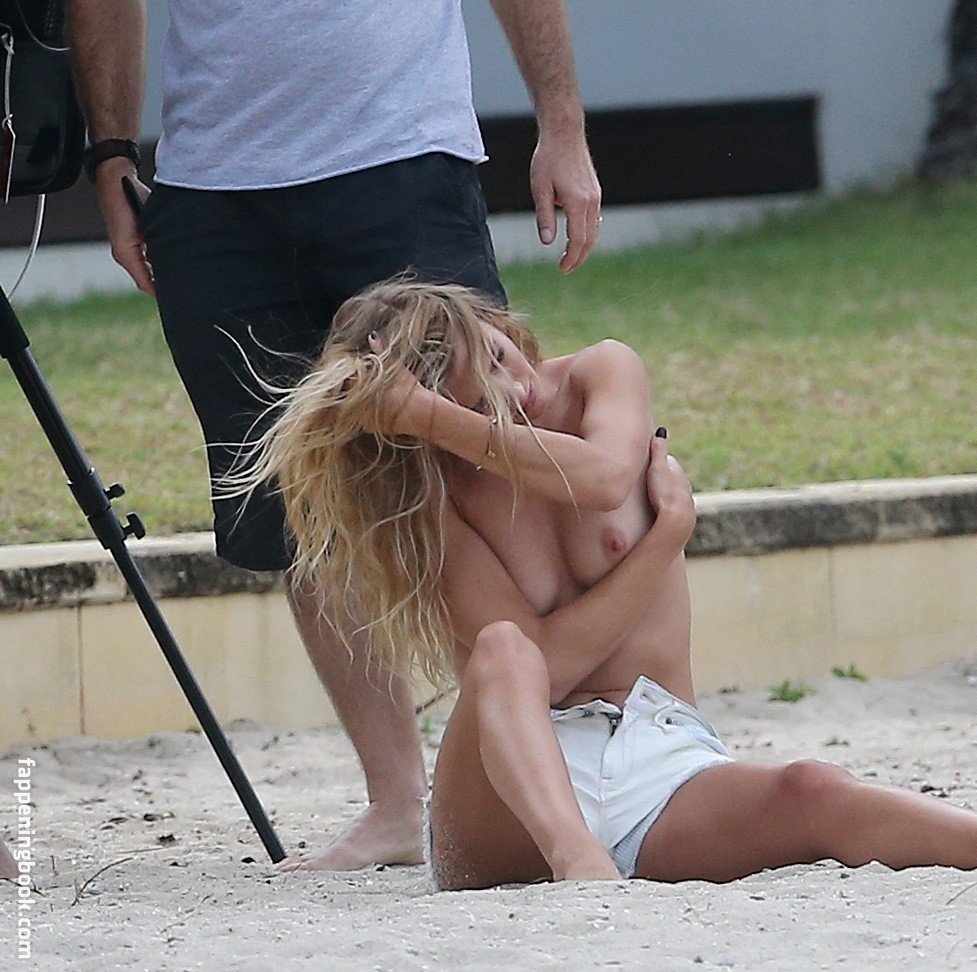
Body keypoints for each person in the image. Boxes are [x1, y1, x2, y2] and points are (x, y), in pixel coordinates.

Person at [238, 278, 977, 889]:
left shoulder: (600, 371)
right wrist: (663, 545)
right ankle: (580, 862)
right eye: (480, 401)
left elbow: (604, 477)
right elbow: (535, 667)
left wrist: (449, 416)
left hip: (658, 749)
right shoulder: (435, 495)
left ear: (498, 323)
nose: (516, 393)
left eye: (500, 356)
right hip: (515, 791)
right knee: (503, 649)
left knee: (811, 787)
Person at [66, 0, 602, 870]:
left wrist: (563, 127)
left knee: (482, 462)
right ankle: (397, 804)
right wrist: (112, 154)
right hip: (213, 189)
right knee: (303, 502)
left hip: (402, 156)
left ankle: (564, 778)